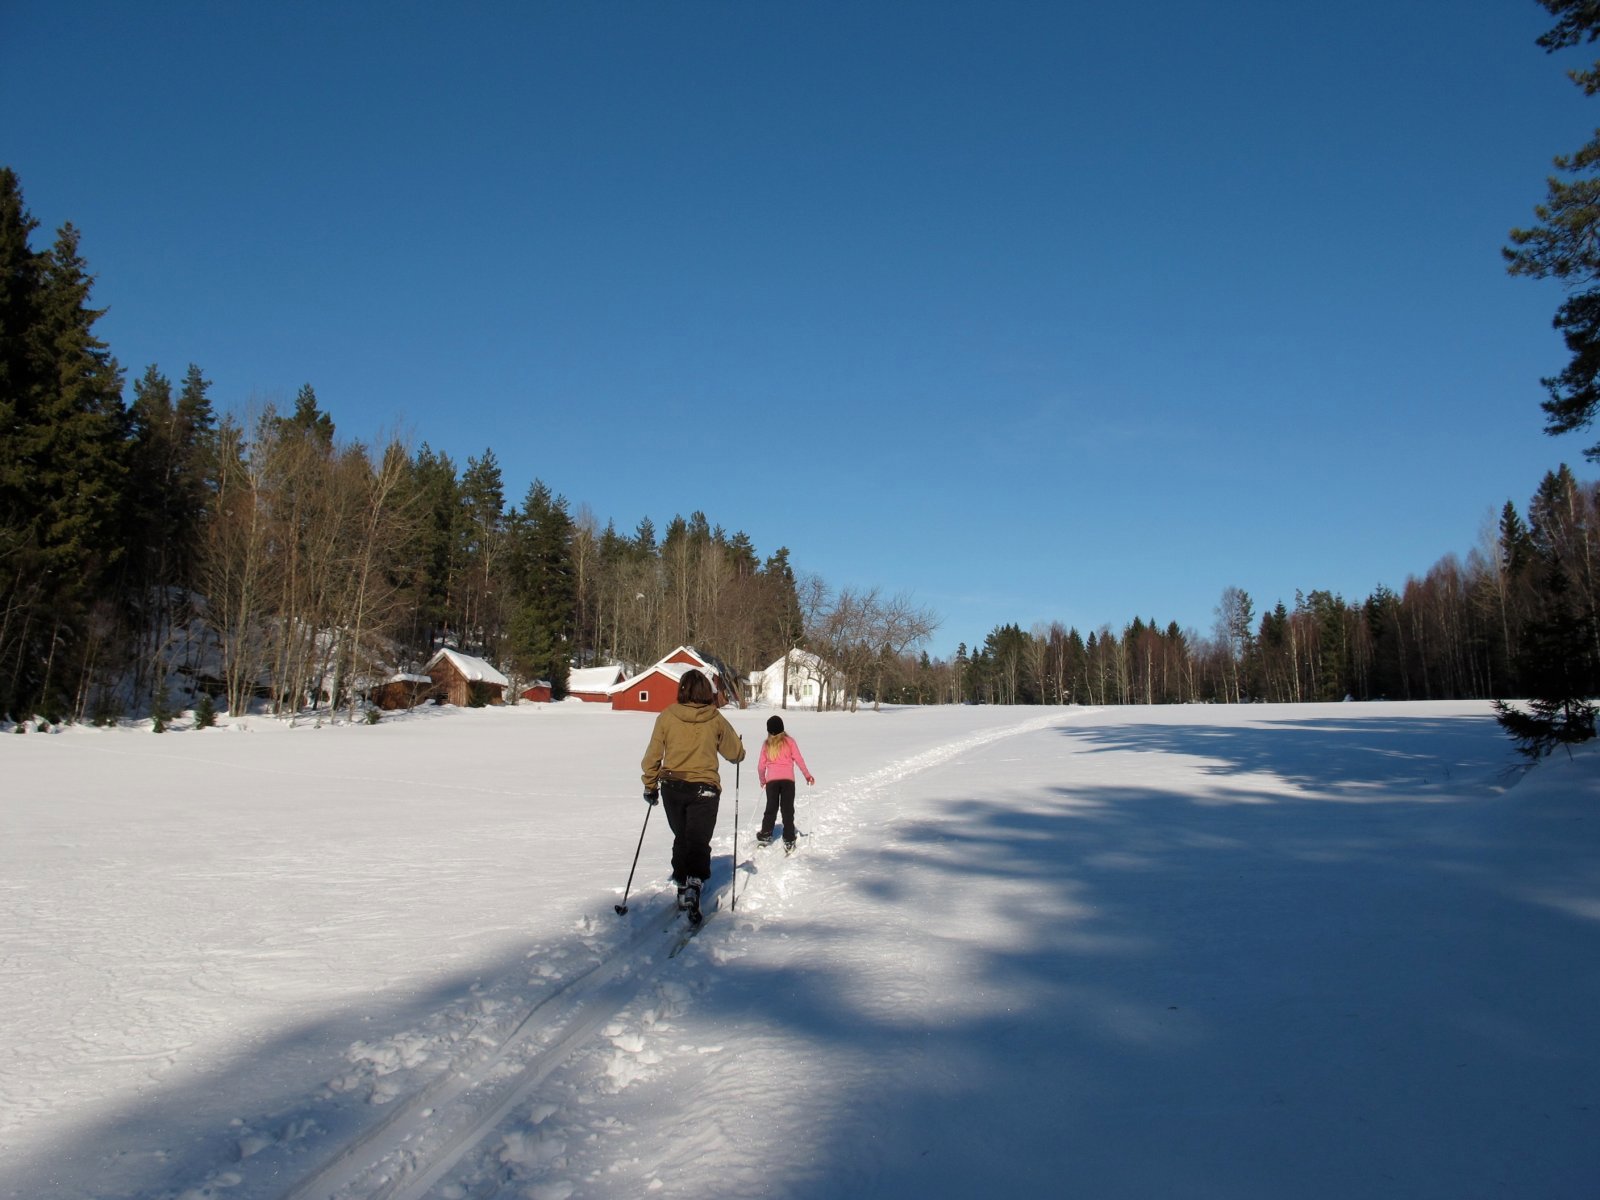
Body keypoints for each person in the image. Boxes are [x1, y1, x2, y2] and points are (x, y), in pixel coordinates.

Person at [640, 668, 745, 921]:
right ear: (706, 692)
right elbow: (736, 754)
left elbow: (653, 755)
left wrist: (650, 785)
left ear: (682, 690)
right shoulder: (715, 718)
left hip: (673, 787)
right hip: (705, 788)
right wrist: (738, 746)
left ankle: (681, 881)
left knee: (682, 836)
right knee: (698, 839)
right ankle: (694, 882)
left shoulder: (667, 716)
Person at [756, 714, 814, 851]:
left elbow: (760, 766)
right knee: (787, 810)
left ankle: (765, 834)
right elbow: (799, 760)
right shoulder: (790, 742)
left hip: (772, 782)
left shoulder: (766, 745)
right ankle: (788, 837)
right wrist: (807, 776)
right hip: (788, 781)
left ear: (769, 730)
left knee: (771, 808)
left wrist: (763, 780)